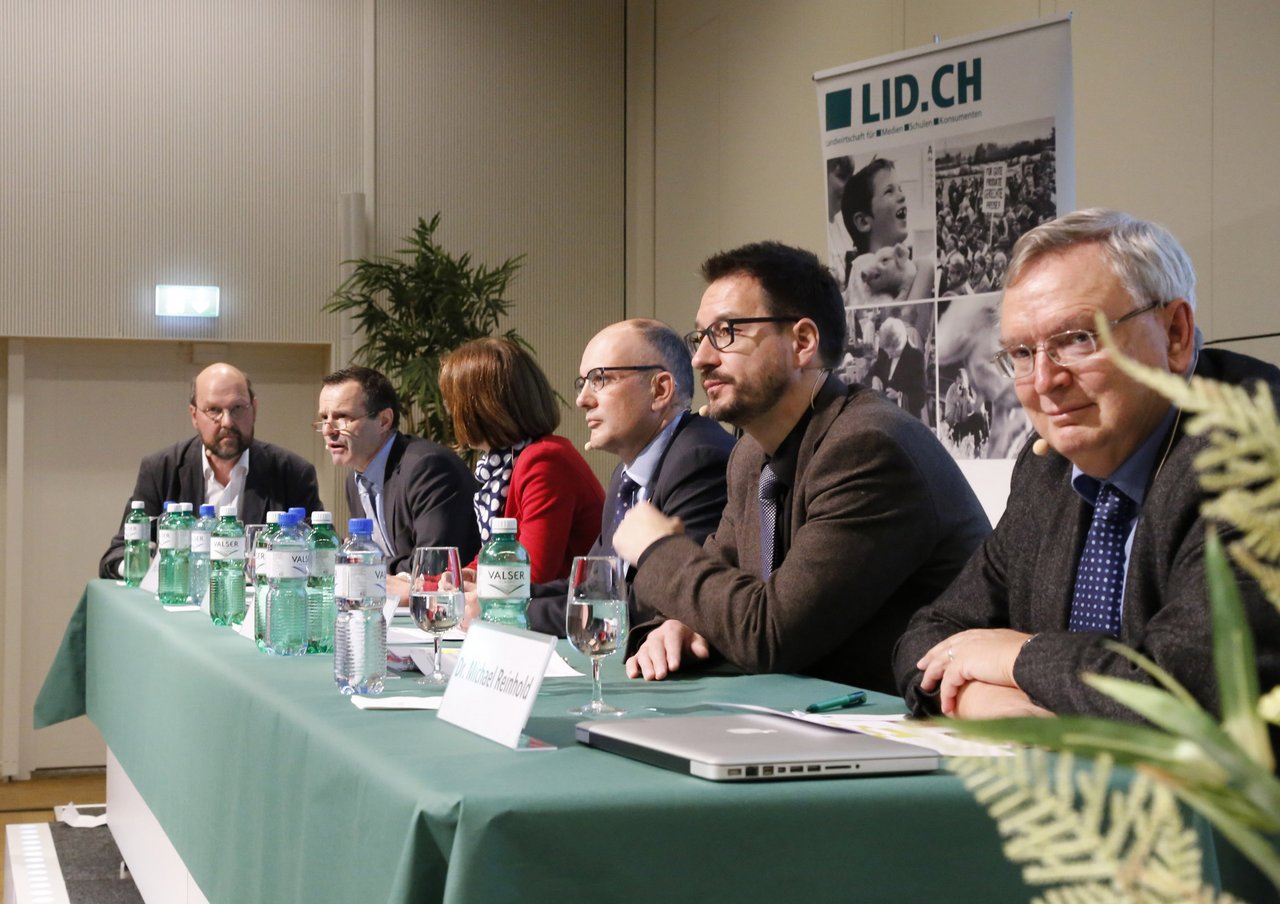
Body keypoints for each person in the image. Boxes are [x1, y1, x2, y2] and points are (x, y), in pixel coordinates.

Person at [894, 208, 1280, 721]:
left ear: (1176, 334)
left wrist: (1019, 656)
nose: (1045, 380)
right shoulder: (1046, 467)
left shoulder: (1256, 449)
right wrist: (983, 699)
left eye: (1078, 338)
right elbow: (928, 634)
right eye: (1022, 353)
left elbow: (1187, 690)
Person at [613, 241, 990, 693]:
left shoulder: (869, 448)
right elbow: (719, 588)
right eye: (700, 337)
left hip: (912, 728)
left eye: (726, 332)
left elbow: (771, 635)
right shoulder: (751, 458)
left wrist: (657, 551)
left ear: (802, 342)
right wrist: (676, 628)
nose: (701, 358)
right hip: (808, 718)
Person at [512, 318, 736, 636]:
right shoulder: (626, 474)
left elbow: (652, 604)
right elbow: (594, 585)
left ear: (660, 389)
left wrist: (512, 614)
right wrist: (504, 598)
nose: (583, 400)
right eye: (582, 383)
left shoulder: (700, 459)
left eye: (600, 379)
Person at [99, 363, 322, 579]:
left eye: (237, 408)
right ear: (194, 415)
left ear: (254, 409)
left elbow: (321, 552)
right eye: (214, 410)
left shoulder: (292, 472)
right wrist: (145, 567)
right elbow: (115, 556)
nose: (227, 422)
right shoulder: (161, 469)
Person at [438, 337, 603, 583]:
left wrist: (468, 583)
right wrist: (465, 575)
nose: (450, 412)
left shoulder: (545, 461)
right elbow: (496, 556)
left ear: (482, 408)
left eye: (453, 403)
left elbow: (531, 572)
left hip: (567, 617)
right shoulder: (507, 461)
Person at [317, 365, 479, 601]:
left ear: (384, 421)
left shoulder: (429, 468)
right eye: (324, 418)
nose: (329, 430)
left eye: (343, 418)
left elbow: (432, 566)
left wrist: (369, 567)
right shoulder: (355, 480)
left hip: (451, 613)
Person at [839, 158, 934, 301]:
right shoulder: (862, 271)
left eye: (900, 189)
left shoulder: (907, 270)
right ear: (864, 222)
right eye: (889, 191)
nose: (902, 196)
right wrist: (926, 271)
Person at [868, 316, 928, 421]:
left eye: (892, 352)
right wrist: (874, 378)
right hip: (885, 416)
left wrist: (899, 396)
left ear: (900, 345)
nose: (889, 356)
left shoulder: (916, 357)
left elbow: (920, 398)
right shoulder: (885, 350)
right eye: (887, 352)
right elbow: (874, 370)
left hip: (906, 419)